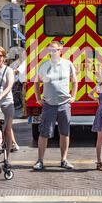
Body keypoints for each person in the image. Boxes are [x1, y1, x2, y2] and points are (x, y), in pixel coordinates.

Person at [33, 41, 78, 171]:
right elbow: (36, 82)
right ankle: (40, 161)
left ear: (60, 50)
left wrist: (73, 96)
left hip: (64, 104)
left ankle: (64, 160)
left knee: (65, 133)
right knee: (44, 133)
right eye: (50, 50)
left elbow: (74, 81)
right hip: (48, 105)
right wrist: (37, 98)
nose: (52, 52)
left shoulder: (67, 64)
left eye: (54, 50)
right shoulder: (44, 65)